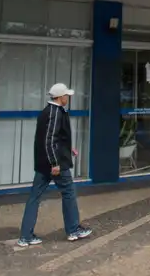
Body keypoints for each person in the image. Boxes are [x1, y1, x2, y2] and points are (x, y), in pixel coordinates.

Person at [16, 83, 93, 248]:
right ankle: (73, 230)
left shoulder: (48, 112)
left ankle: (25, 236)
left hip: (44, 163)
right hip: (55, 164)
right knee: (69, 193)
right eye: (66, 95)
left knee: (34, 197)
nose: (68, 98)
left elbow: (54, 138)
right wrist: (55, 163)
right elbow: (49, 140)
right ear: (60, 97)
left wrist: (67, 148)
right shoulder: (55, 113)